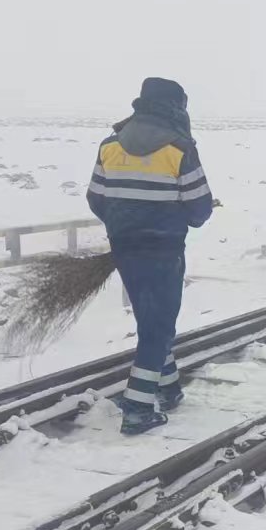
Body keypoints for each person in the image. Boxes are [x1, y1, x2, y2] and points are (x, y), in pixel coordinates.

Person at [86, 77, 215, 434]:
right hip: (163, 250)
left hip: (124, 248)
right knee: (159, 326)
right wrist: (178, 217)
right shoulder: (179, 147)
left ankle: (168, 389)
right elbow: (200, 207)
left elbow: (96, 198)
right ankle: (139, 409)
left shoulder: (110, 145)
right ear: (176, 107)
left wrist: (123, 224)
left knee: (152, 322)